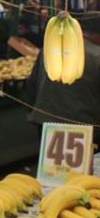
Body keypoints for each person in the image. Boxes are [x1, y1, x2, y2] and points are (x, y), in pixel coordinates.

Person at [28, 16, 100, 144]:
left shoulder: (48, 49)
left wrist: (34, 111)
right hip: (83, 126)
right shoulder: (97, 55)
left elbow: (31, 84)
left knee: (50, 163)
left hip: (45, 120)